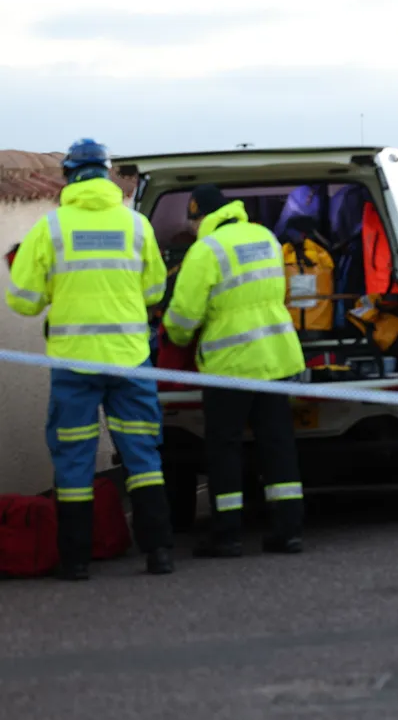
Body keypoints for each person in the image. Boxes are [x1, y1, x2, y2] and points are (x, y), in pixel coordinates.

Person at [5, 139, 174, 579]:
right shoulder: (137, 226)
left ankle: (77, 561)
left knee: (74, 460)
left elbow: (23, 301)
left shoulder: (51, 228)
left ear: (68, 177)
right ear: (105, 174)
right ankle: (159, 553)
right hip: (129, 359)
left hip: (74, 364)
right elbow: (155, 293)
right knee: (142, 455)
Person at [163, 184, 308, 557]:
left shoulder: (205, 252)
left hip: (229, 367)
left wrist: (175, 335)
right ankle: (288, 530)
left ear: (200, 216)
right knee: (277, 445)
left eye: (192, 221)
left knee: (224, 449)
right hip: (274, 357)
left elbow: (182, 320)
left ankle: (227, 534)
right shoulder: (266, 238)